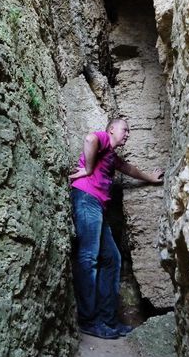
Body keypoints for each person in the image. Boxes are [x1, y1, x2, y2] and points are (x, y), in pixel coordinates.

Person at [69, 118, 164, 339]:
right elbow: (89, 138)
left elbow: (128, 168)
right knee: (88, 257)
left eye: (130, 131)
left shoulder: (111, 156)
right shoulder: (102, 138)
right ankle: (89, 320)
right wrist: (88, 169)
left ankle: (108, 320)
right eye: (125, 130)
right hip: (86, 199)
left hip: (97, 207)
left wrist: (151, 178)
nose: (128, 134)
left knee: (112, 258)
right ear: (112, 130)